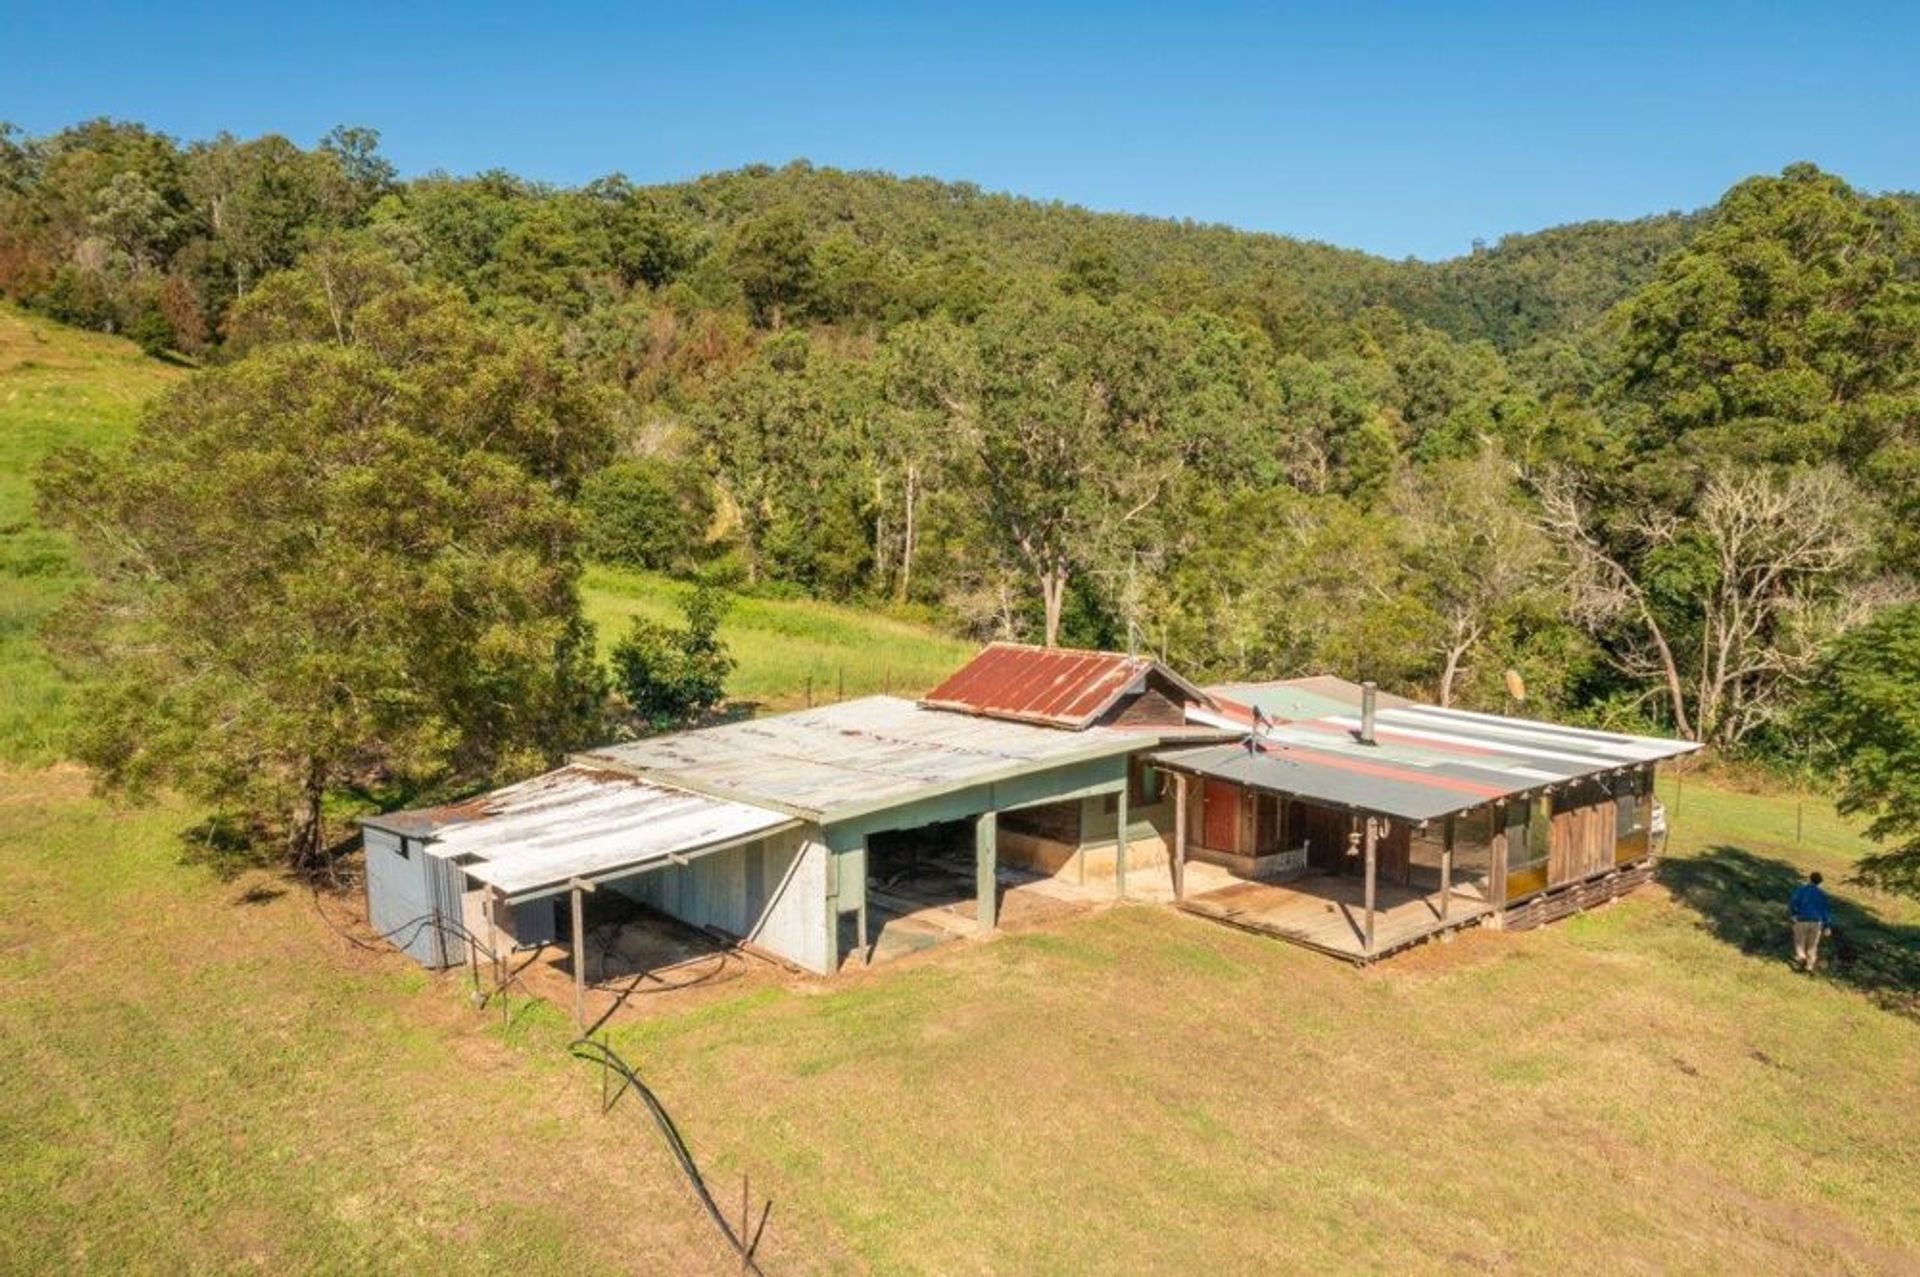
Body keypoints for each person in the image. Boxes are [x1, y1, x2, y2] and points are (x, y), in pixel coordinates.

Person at [1788, 871, 1833, 972]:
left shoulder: (1801, 890)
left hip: (1802, 920)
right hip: (1816, 922)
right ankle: (1809, 967)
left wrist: (1794, 914)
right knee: (1812, 946)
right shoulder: (1822, 894)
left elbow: (1793, 902)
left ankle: (1801, 958)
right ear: (1820, 882)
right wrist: (1827, 926)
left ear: (1810, 879)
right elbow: (1825, 910)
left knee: (1799, 943)